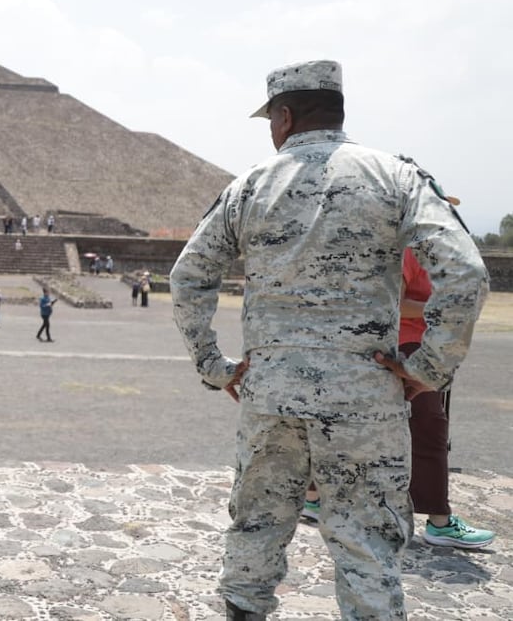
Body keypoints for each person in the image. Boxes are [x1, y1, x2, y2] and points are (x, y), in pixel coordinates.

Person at [169, 60, 487, 621]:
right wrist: (427, 370)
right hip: (365, 396)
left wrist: (214, 366)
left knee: (257, 530)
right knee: (366, 544)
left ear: (285, 117)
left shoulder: (250, 184)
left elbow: (187, 276)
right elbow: (465, 274)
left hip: (270, 395)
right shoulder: (395, 176)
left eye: (271, 119)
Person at [304, 246, 495, 549]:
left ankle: (313, 498)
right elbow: (391, 301)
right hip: (404, 345)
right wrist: (442, 306)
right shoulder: (409, 247)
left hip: (412, 344)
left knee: (353, 422)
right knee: (429, 428)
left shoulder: (433, 247)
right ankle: (439, 522)